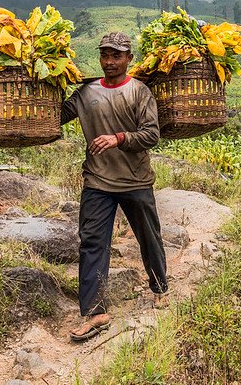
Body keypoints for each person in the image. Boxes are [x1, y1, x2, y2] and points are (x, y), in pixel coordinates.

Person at [60, 31, 169, 341]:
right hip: (97, 180)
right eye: (105, 55)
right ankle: (96, 312)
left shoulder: (139, 92)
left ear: (128, 59)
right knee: (92, 242)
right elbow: (56, 115)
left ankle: (160, 287)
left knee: (148, 236)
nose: (109, 61)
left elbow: (151, 135)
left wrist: (118, 138)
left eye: (116, 55)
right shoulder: (85, 94)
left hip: (135, 180)